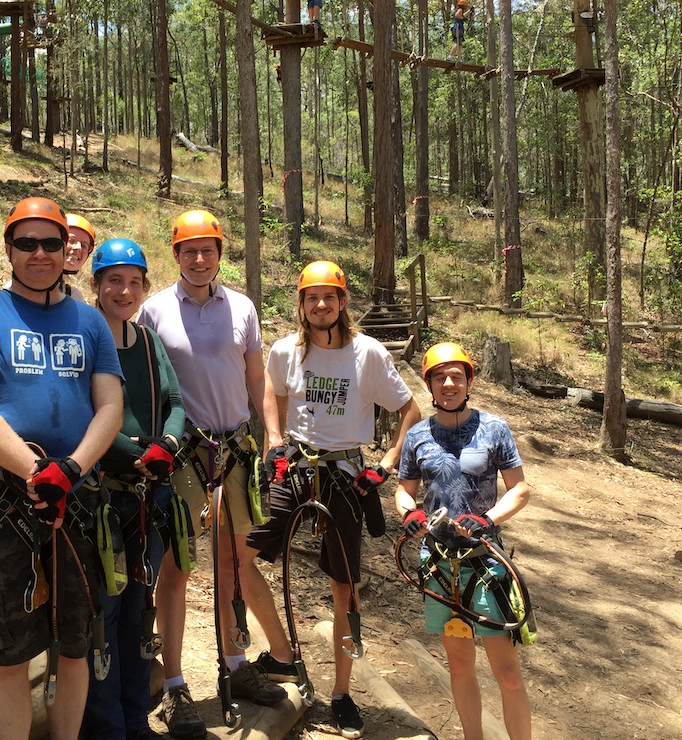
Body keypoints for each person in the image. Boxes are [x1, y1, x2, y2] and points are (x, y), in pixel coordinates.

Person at [0, 196, 124, 740]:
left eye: (51, 242)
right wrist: (33, 469)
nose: (40, 253)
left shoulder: (90, 322)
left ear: (65, 250)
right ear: (10, 250)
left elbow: (110, 406)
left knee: (74, 644)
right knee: (8, 651)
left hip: (78, 494)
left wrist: (68, 470)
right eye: (27, 243)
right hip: (2, 497)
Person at [243, 261, 421, 739]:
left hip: (344, 472)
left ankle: (341, 693)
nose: (321, 305)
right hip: (296, 466)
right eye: (311, 297)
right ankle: (280, 655)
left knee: (345, 586)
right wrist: (273, 439)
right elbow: (270, 391)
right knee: (240, 552)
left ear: (343, 302)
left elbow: (409, 409)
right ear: (301, 304)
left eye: (330, 297)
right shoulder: (286, 351)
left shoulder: (367, 354)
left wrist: (386, 464)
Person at [139, 209, 286, 739]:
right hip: (183, 453)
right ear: (175, 255)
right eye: (189, 251)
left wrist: (272, 433)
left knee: (232, 562)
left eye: (208, 250)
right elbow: (145, 381)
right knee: (179, 565)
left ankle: (237, 663)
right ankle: (176, 682)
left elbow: (257, 376)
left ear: (221, 254)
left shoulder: (242, 307)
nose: (199, 259)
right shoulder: (153, 311)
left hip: (235, 449)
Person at [395, 342, 533, 740]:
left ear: (469, 381)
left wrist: (487, 518)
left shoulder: (494, 428)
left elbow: (519, 490)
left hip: (485, 561)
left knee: (507, 674)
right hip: (438, 562)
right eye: (440, 376)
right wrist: (411, 513)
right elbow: (403, 491)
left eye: (457, 375)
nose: (449, 383)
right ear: (430, 384)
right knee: (459, 667)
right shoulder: (418, 435)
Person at [82, 239, 186, 740]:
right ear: (96, 285)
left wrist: (167, 442)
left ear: (145, 286)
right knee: (104, 611)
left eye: (133, 281)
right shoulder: (81, 336)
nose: (124, 291)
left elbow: (173, 398)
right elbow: (87, 411)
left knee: (139, 609)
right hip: (104, 492)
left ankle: (133, 717)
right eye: (113, 281)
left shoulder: (146, 340)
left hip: (148, 495)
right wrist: (136, 454)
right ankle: (104, 726)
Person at [62, 213, 97, 301]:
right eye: (71, 240)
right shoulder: (26, 284)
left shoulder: (73, 296)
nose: (78, 247)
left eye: (84, 246)